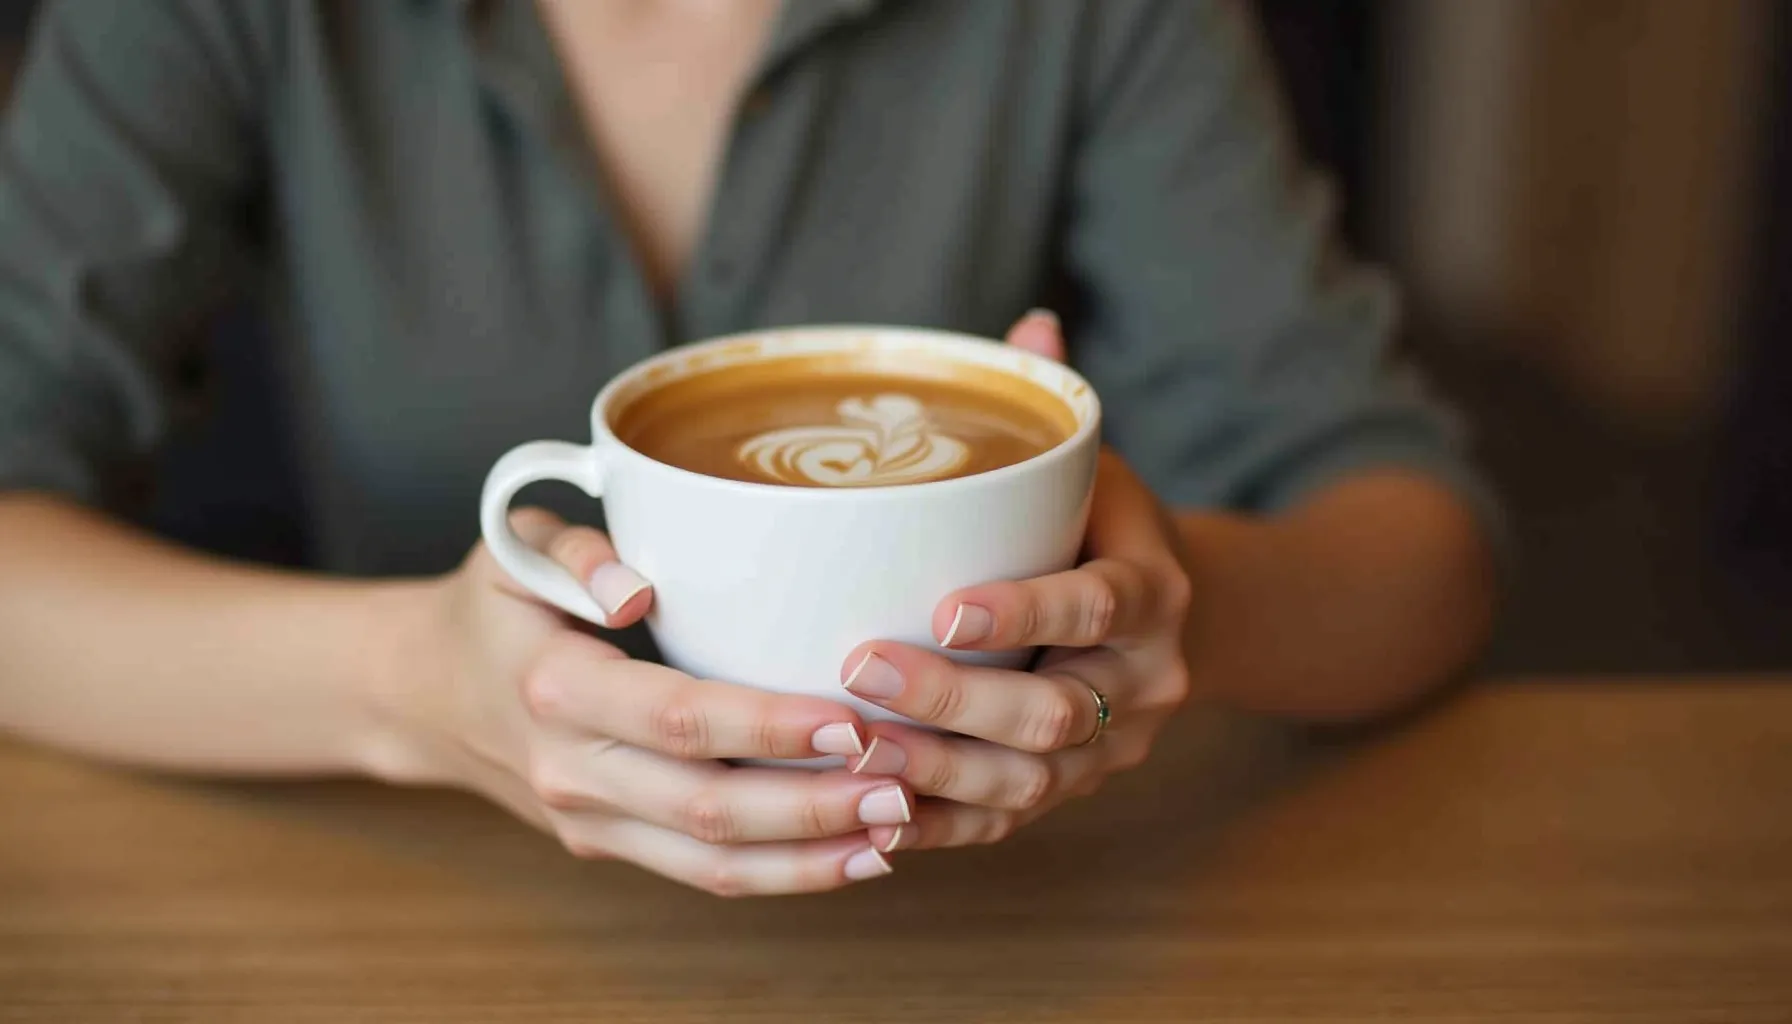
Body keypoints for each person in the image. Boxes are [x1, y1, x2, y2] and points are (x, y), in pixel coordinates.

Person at [0, 0, 1498, 896]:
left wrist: (1175, 612)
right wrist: (408, 684)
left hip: (995, 930)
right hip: (416, 924)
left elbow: (1425, 554)